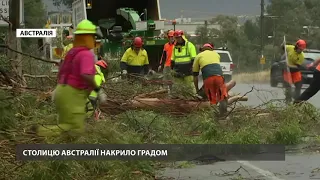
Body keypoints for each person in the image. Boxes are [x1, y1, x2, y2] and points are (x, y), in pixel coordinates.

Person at [36, 19, 102, 136]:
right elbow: (85, 75)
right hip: (72, 93)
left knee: (64, 126)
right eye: (93, 36)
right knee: (74, 130)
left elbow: (60, 72)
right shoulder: (86, 54)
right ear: (87, 37)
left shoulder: (72, 52)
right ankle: (37, 132)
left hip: (61, 90)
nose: (94, 40)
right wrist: (98, 90)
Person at [192, 43, 228, 116]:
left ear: (202, 49)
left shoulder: (198, 56)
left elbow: (195, 75)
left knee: (212, 99)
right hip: (219, 77)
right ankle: (223, 115)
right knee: (222, 96)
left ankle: (214, 115)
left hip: (208, 79)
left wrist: (197, 89)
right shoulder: (216, 54)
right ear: (211, 49)